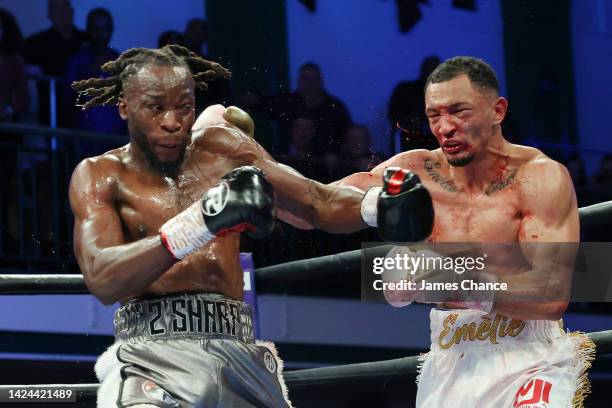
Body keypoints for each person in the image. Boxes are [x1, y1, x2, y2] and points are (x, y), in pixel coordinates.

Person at [69, 44, 433, 407]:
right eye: (155, 107)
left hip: (239, 354)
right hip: (151, 357)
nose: (171, 121)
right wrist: (202, 221)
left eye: (184, 107)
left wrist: (378, 207)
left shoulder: (222, 148)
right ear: (124, 107)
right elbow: (103, 277)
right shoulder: (101, 175)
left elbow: (316, 202)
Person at [334, 56, 592, 407]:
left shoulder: (540, 176)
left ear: (497, 111)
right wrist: (257, 170)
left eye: (459, 111)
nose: (445, 127)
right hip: (450, 357)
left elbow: (551, 295)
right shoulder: (414, 170)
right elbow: (324, 200)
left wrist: (440, 278)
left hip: (530, 355)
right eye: (434, 115)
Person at [24, 0, 87, 126]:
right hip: (51, 110)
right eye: (55, 8)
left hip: (84, 111)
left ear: (72, 10)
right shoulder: (35, 43)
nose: (61, 12)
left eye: (65, 6)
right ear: (49, 14)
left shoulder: (87, 40)